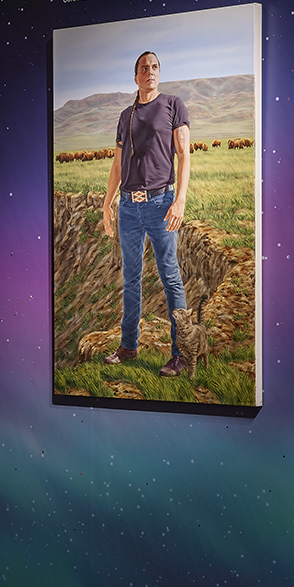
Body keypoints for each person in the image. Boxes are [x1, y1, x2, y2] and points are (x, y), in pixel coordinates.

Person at [98, 50, 197, 376]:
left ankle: (180, 353)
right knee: (131, 279)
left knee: (170, 276)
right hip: (128, 206)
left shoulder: (173, 105)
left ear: (159, 73)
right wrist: (107, 203)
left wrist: (180, 200)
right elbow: (117, 164)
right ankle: (129, 346)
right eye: (144, 68)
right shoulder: (126, 115)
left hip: (161, 204)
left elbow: (184, 156)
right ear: (136, 76)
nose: (150, 71)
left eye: (154, 67)